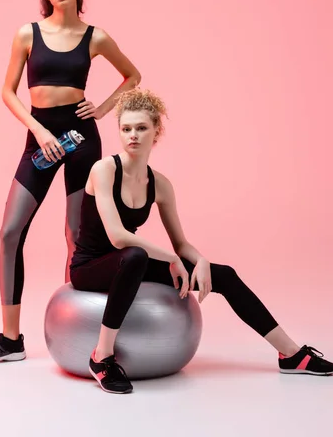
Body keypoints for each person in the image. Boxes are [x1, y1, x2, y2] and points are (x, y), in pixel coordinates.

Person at [69, 87, 333, 394]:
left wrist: (201, 260)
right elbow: (118, 238)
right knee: (135, 255)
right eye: (126, 129)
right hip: (91, 267)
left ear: (157, 131)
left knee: (225, 275)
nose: (133, 136)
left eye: (142, 128)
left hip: (128, 263)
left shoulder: (161, 185)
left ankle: (291, 354)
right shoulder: (103, 170)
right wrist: (172, 259)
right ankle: (102, 358)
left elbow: (180, 244)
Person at [0, 0, 141, 365]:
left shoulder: (95, 37)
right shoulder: (27, 33)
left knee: (76, 237)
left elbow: (132, 75)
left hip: (80, 139)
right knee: (10, 232)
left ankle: (81, 338)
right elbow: (8, 92)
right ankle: (11, 340)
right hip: (40, 139)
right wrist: (40, 131)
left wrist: (101, 111)